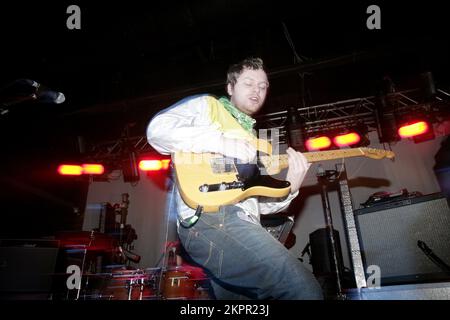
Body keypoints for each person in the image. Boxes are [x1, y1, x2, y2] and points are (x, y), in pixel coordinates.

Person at [146, 57, 323, 299]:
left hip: (240, 224)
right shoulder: (208, 107)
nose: (257, 90)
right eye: (249, 83)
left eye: (263, 86)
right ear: (230, 87)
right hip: (211, 219)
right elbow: (157, 130)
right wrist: (223, 142)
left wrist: (292, 185)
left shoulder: (255, 140)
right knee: (303, 290)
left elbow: (262, 204)